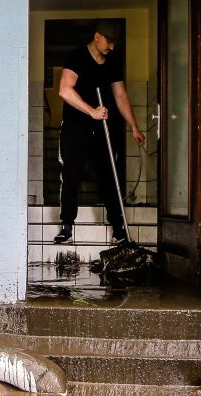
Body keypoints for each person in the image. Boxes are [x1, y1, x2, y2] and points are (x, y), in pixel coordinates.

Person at [53, 20, 145, 245]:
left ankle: (118, 227)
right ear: (97, 36)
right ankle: (66, 226)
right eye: (108, 41)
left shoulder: (112, 62)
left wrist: (133, 125)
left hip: (102, 127)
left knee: (109, 175)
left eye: (114, 42)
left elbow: (120, 96)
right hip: (76, 126)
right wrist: (91, 111)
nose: (111, 47)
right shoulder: (77, 57)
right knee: (72, 173)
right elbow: (65, 90)